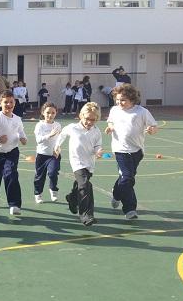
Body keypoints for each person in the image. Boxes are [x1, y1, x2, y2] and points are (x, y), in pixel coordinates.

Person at [105, 84, 157, 220]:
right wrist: (110, 128)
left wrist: (151, 130)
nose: (119, 103)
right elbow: (110, 121)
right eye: (117, 100)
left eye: (123, 100)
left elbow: (153, 126)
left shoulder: (141, 112)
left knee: (126, 178)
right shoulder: (115, 110)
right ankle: (130, 209)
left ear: (132, 99)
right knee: (127, 178)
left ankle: (116, 194)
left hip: (137, 151)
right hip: (120, 150)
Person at [54, 102, 103, 226]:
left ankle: (72, 198)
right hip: (76, 161)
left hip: (89, 162)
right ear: (81, 116)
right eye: (87, 119)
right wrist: (57, 146)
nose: (90, 122)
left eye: (93, 120)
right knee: (86, 185)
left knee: (81, 185)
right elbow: (62, 134)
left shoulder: (96, 131)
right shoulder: (73, 127)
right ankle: (86, 215)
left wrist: (98, 151)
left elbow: (98, 145)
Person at [33, 102, 61, 203]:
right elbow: (38, 140)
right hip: (42, 155)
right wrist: (49, 135)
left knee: (53, 173)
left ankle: (53, 190)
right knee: (40, 176)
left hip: (53, 155)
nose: (50, 115)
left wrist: (58, 148)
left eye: (53, 113)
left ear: (56, 113)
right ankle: (38, 194)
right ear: (43, 113)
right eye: (48, 112)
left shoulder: (57, 125)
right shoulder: (40, 125)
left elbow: (59, 139)